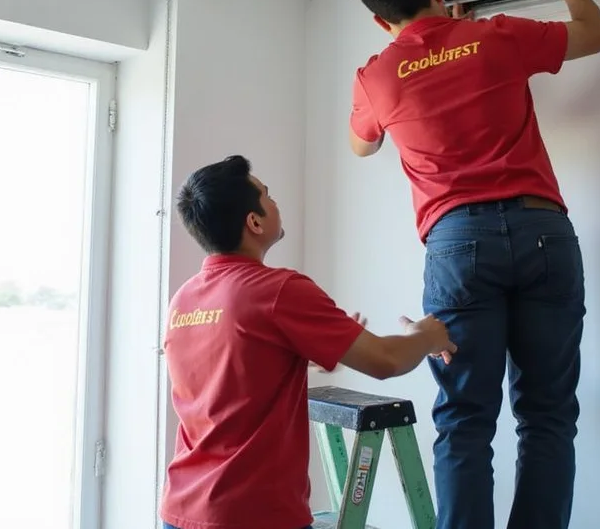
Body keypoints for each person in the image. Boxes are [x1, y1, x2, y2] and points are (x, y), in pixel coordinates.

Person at [347, 0, 600, 529]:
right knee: (547, 415)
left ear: (379, 20)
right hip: (543, 232)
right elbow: (597, 34)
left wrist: (416, 62)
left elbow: (362, 145)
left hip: (457, 245)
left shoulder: (375, 76)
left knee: (465, 421)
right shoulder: (494, 37)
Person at [160, 154, 457, 529]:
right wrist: (425, 336)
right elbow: (386, 360)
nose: (275, 202)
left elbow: (230, 371)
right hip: (253, 516)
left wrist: (317, 349)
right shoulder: (278, 290)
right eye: (267, 195)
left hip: (181, 510)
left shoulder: (184, 300)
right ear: (254, 222)